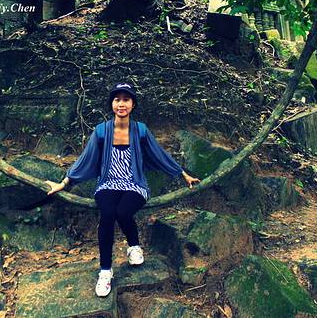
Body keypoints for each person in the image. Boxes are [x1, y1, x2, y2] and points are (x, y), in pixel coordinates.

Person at [45, 82, 200, 297]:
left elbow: (160, 154)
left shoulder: (140, 130)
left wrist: (183, 175)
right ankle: (105, 271)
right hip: (108, 183)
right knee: (108, 214)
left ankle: (134, 246)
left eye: (126, 100)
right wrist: (64, 183)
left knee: (123, 212)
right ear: (111, 104)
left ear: (133, 104)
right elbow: (85, 159)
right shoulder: (101, 131)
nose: (121, 104)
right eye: (117, 99)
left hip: (135, 183)